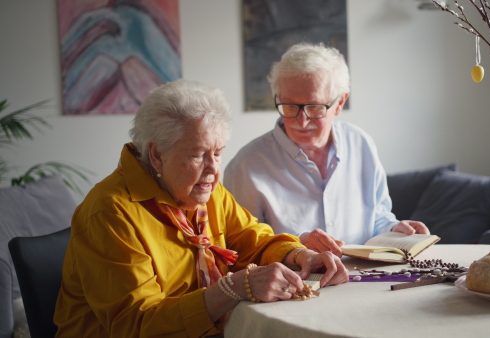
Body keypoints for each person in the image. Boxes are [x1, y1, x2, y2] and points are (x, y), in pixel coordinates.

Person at [54, 79, 348, 336]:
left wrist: (299, 255)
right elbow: (136, 326)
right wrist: (233, 287)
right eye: (198, 155)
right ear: (157, 155)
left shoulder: (205, 190)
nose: (213, 171)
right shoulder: (111, 213)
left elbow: (250, 236)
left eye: (218, 153)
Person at [224, 43, 429, 257]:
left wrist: (394, 230)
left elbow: (377, 216)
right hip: (295, 287)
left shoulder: (361, 144)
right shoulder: (245, 167)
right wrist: (294, 245)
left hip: (366, 279)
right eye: (289, 106)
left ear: (340, 102)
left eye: (314, 107)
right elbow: (241, 250)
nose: (301, 121)